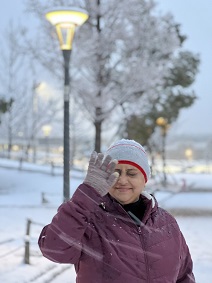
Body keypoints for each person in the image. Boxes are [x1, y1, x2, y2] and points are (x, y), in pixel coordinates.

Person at [38, 139, 195, 282]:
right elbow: (54, 249)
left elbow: (184, 275)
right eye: (115, 172)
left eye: (132, 173)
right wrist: (87, 193)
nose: (122, 180)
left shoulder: (167, 223)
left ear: (145, 179)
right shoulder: (89, 221)